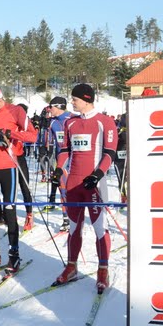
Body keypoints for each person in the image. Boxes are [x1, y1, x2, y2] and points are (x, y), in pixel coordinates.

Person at [51, 83, 118, 293]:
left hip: (94, 183)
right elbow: (65, 150)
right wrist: (59, 170)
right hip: (74, 183)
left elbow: (109, 153)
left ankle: (102, 270)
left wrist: (97, 175)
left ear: (87, 99)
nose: (72, 102)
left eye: (75, 99)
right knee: (73, 227)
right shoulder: (70, 123)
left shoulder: (104, 122)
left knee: (99, 228)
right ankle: (71, 267)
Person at [0, 84, 38, 273]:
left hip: (9, 166)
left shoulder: (15, 111)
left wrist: (10, 133)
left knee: (10, 211)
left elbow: (33, 136)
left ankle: (14, 254)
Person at [45, 96, 73, 232]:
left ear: (59, 106)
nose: (50, 110)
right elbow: (48, 142)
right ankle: (66, 218)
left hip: (75, 160)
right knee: (63, 188)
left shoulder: (74, 118)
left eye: (52, 107)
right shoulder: (52, 123)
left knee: (77, 189)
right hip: (60, 160)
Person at [15, 104, 35, 232]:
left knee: (25, 186)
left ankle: (29, 214)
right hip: (8, 158)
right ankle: (11, 216)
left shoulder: (27, 124)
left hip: (20, 157)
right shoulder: (11, 122)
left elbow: (32, 137)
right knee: (9, 190)